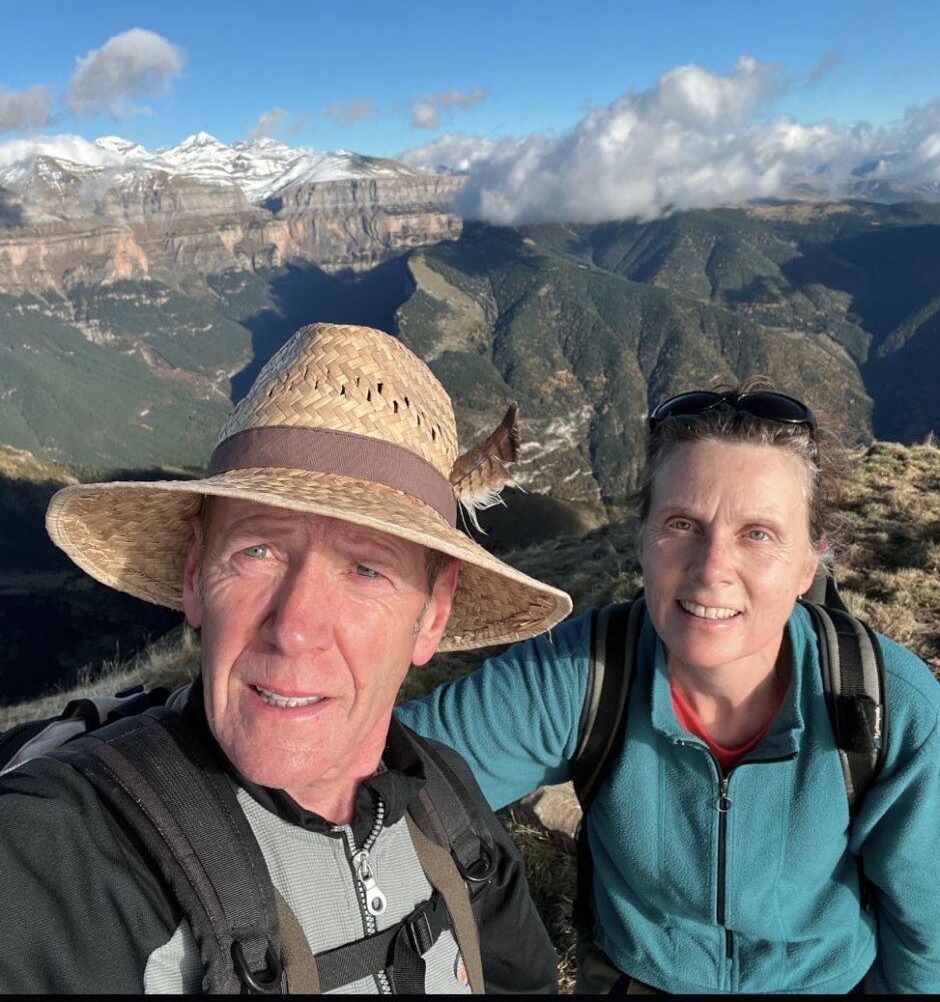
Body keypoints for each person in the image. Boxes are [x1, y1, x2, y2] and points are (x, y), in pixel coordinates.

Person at [0, 322, 571, 994]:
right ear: (195, 575)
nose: (295, 628)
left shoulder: (449, 810)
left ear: (432, 614)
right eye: (258, 551)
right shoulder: (58, 850)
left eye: (364, 569)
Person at [400, 382, 940, 994]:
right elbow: (389, 774)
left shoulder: (888, 707)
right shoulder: (587, 674)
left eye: (758, 534)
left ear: (810, 563)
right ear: (643, 537)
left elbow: (931, 939)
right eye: (682, 524)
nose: (711, 570)